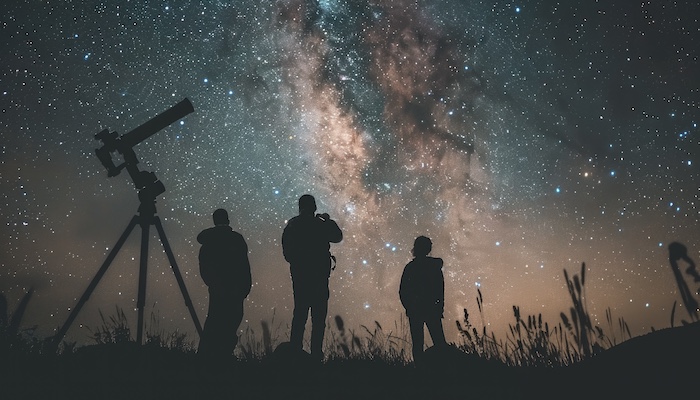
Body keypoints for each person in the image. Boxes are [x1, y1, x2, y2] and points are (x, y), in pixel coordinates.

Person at [282, 194, 343, 361]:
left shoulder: (293, 225)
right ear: (314, 207)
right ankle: (316, 355)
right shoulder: (319, 224)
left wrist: (300, 261)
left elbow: (287, 254)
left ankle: (295, 353)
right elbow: (337, 237)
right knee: (318, 318)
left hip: (300, 277)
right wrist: (328, 220)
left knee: (300, 314)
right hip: (319, 277)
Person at [197, 208, 252, 358]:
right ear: (228, 220)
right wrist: (245, 288)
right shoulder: (237, 240)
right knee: (230, 324)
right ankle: (222, 356)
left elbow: (204, 268)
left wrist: (213, 285)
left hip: (217, 290)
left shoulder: (208, 242)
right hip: (236, 290)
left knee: (213, 323)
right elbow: (244, 266)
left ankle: (207, 357)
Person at [399, 235, 448, 364]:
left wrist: (410, 307)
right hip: (431, 309)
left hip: (416, 311)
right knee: (439, 342)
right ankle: (442, 370)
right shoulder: (434, 267)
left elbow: (403, 291)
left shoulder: (410, 268)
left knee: (418, 344)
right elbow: (440, 290)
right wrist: (439, 307)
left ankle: (420, 370)